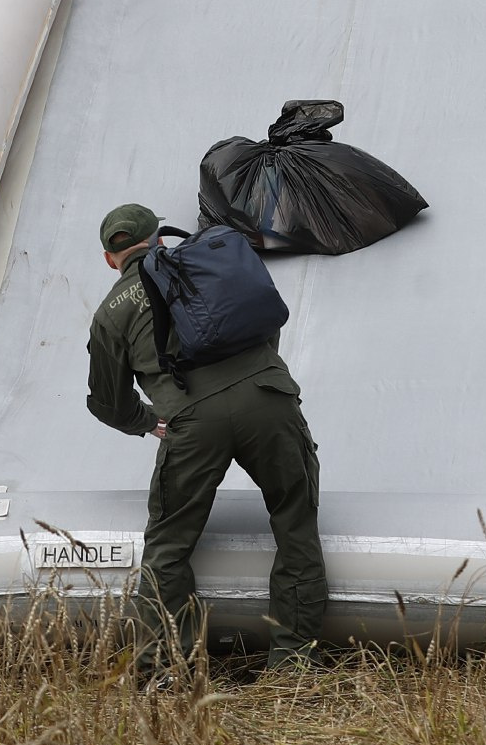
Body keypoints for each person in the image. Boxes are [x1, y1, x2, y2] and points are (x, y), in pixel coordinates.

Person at [85, 202, 327, 678]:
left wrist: (148, 420)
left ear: (109, 259)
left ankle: (168, 670)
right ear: (160, 238)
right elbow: (265, 319)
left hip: (191, 423)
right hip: (269, 400)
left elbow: (108, 403)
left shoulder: (110, 314)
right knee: (295, 522)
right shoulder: (209, 264)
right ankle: (295, 666)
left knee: (168, 546)